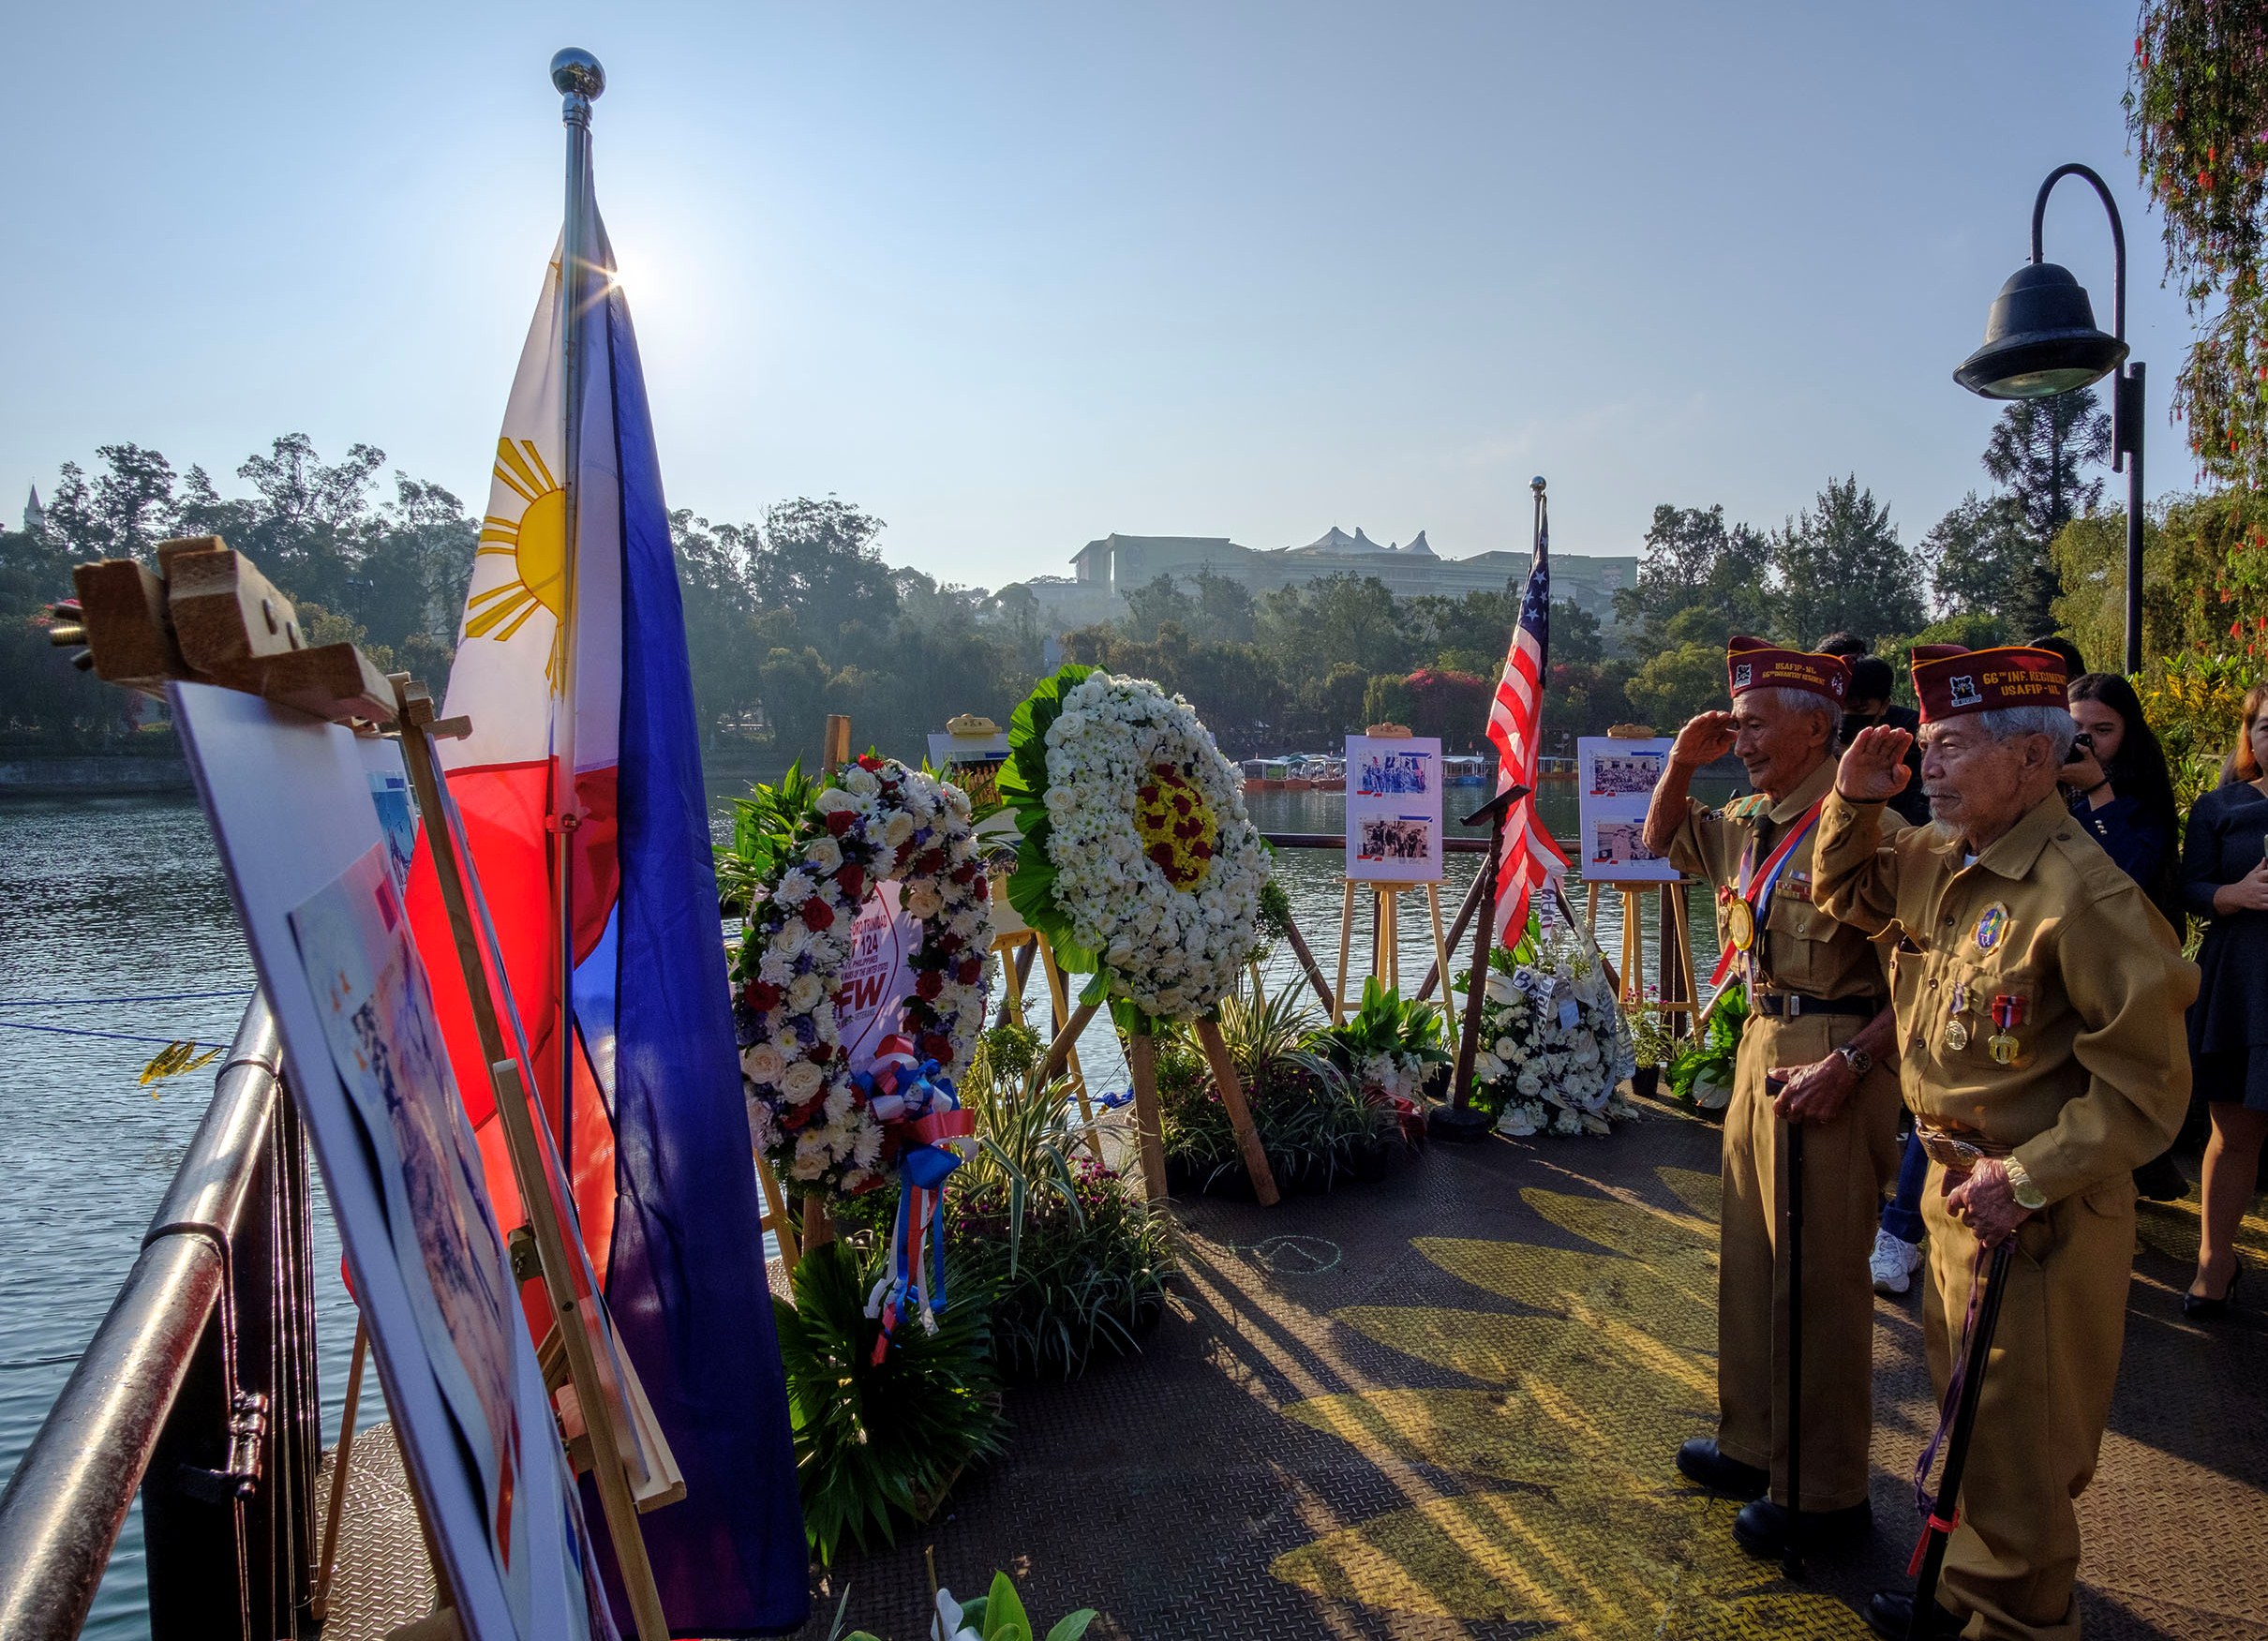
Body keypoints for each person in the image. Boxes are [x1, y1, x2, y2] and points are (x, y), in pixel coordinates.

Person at [1814, 642, 2197, 1641]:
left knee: (2022, 1448)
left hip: (2034, 1217)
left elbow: (2147, 1085)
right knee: (1968, 1422)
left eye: (1949, 747)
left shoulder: (2086, 893)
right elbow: (1844, 892)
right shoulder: (1945, 858)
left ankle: (2014, 1618)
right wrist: (1853, 798)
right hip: (1955, 1198)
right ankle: (1963, 1593)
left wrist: (2026, 1177)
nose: (1927, 765)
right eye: (1926, 747)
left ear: (2031, 761)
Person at [1644, 635, 1903, 1561]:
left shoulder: (1871, 825)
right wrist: (1680, 760)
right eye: (1734, 722)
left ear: (1810, 728)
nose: (1739, 738)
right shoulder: (1751, 818)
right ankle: (1755, 1444)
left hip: (1834, 1055)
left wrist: (1855, 1064)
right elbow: (1658, 839)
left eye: (1752, 724)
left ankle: (1824, 1489)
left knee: (1822, 1280)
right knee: (1751, 1263)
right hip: (1760, 1040)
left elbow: (1916, 981)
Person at [2179, 679, 2268, 1318]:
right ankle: (2215, 1260)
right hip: (2245, 982)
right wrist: (2230, 895)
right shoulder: (2221, 806)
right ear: (2251, 736)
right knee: (2233, 1129)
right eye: (2267, 726)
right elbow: (2188, 887)